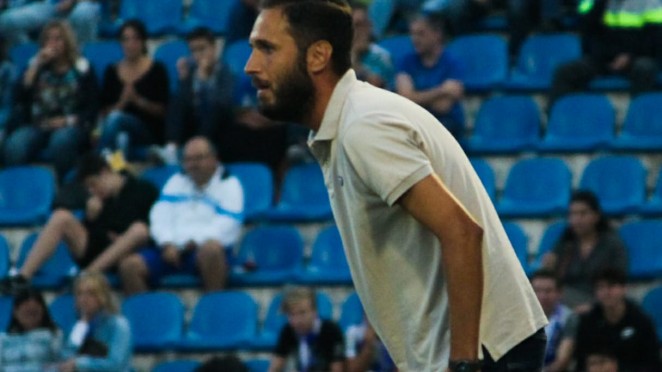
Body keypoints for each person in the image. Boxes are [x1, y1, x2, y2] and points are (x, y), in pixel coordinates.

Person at [244, 0, 548, 370]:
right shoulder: (351, 122)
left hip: (487, 354)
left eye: (267, 48)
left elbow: (462, 231)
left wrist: (464, 363)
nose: (251, 66)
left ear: (318, 56)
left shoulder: (363, 127)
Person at [0, 152, 158, 293]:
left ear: (105, 173)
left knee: (139, 230)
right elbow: (93, 232)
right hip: (99, 247)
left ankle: (87, 275)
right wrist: (92, 216)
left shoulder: (143, 189)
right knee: (61, 217)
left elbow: (148, 228)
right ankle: (23, 276)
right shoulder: (96, 202)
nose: (92, 191)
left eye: (93, 184)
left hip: (129, 251)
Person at [119, 136, 244, 294]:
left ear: (214, 159)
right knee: (129, 266)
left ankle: (213, 312)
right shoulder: (176, 181)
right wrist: (167, 242)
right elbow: (159, 215)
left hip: (201, 249)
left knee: (212, 251)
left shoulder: (230, 184)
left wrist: (189, 243)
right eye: (188, 160)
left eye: (198, 159)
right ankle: (150, 315)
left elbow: (227, 225)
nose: (192, 165)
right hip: (170, 249)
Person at [2, 19, 98, 181]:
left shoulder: (82, 68)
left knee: (60, 142)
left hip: (71, 125)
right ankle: (19, 190)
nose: (52, 44)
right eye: (48, 39)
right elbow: (19, 97)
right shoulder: (36, 66)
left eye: (58, 38)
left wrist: (65, 121)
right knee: (15, 146)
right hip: (39, 124)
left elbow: (92, 108)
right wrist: (35, 66)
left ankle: (65, 186)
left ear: (67, 41)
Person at [548, 0, 660, 108]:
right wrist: (600, 4)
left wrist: (630, 56)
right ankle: (557, 120)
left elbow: (655, 38)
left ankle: (638, 118)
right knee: (565, 71)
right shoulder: (601, 3)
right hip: (605, 58)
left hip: (636, 57)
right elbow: (588, 31)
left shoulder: (649, 2)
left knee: (644, 68)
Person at [541, 190, 628, 310]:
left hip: (602, 299)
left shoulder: (612, 245)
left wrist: (594, 305)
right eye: (573, 214)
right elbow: (555, 282)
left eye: (583, 214)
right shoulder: (566, 244)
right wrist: (548, 268)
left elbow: (618, 279)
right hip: (567, 301)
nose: (577, 219)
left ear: (596, 216)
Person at [162, 27, 236, 164]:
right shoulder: (190, 73)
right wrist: (183, 82)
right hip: (193, 125)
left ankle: (199, 151)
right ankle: (171, 149)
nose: (198, 55)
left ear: (214, 48)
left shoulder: (225, 73)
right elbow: (183, 106)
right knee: (176, 99)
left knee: (214, 108)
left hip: (219, 129)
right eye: (193, 51)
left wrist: (204, 83)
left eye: (202, 49)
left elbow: (224, 104)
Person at [97, 19, 169, 156]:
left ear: (143, 41)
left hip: (148, 130)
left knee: (117, 119)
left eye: (135, 39)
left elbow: (163, 111)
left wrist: (137, 100)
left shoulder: (157, 69)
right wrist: (122, 102)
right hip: (118, 130)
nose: (130, 44)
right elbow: (104, 112)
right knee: (121, 138)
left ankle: (101, 160)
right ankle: (118, 168)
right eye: (126, 40)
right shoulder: (112, 71)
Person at [572, 268, 661, 372]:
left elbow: (653, 364)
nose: (606, 292)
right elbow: (581, 362)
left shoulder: (641, 321)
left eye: (611, 286)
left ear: (624, 288)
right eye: (600, 288)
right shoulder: (588, 322)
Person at [394, 12, 466, 140]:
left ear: (437, 34)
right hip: (415, 124)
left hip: (446, 128)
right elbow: (405, 98)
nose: (415, 39)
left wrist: (417, 97)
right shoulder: (406, 62)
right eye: (412, 34)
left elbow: (444, 106)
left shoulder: (452, 63)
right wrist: (441, 90)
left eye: (421, 33)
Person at [58, 272, 132, 372]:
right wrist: (80, 328)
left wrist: (80, 363)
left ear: (103, 297)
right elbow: (66, 358)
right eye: (80, 294)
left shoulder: (119, 325)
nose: (84, 299)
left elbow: (115, 364)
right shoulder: (76, 326)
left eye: (91, 294)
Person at [269, 286, 345, 372]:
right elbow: (274, 367)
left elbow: (337, 369)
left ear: (314, 311)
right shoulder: (288, 330)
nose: (297, 320)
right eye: (292, 314)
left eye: (302, 313)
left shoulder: (331, 330)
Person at [0, 288, 62, 371]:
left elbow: (62, 364)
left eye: (34, 313)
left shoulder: (54, 336)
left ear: (43, 312)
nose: (30, 318)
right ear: (15, 312)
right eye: (26, 313)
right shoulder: (3, 339)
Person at [0, 0, 101, 47]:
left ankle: (80, 58)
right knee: (7, 21)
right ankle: (31, 54)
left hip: (83, 5)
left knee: (83, 14)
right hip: (50, 5)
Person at [530, 269, 575, 372]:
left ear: (560, 293)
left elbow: (562, 361)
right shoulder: (521, 317)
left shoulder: (568, 318)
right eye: (537, 291)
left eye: (548, 291)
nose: (542, 296)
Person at [350, 3, 395, 89]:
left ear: (370, 26)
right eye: (357, 25)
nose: (361, 31)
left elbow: (377, 85)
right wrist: (354, 54)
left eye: (364, 25)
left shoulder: (381, 56)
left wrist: (357, 65)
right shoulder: (336, 54)